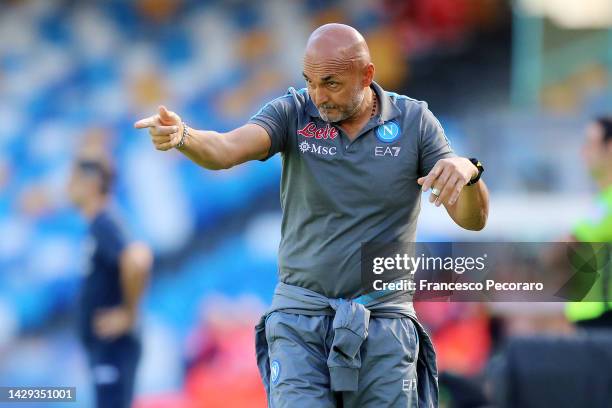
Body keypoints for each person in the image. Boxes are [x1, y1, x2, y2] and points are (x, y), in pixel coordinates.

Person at [135, 23, 489, 407]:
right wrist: (184, 136)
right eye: (310, 81)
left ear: (367, 75)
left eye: (331, 83)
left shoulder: (414, 122)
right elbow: (225, 150)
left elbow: (473, 219)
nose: (318, 95)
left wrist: (468, 173)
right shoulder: (292, 112)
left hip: (385, 319)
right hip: (301, 319)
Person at [68, 153, 152, 408]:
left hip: (113, 346)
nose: (67, 187)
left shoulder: (105, 221)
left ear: (90, 182)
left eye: (72, 179)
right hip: (104, 347)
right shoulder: (99, 223)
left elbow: (138, 259)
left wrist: (128, 312)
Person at [564, 116, 612, 328]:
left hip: (604, 315)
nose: (583, 152)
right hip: (590, 316)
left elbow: (571, 240)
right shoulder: (599, 201)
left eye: (590, 144)